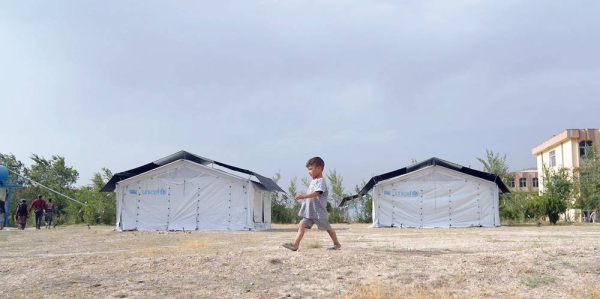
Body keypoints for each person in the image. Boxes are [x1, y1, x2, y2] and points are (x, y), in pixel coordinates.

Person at [282, 157, 341, 251]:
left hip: (318, 212)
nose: (309, 172)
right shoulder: (313, 181)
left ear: (319, 168)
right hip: (310, 212)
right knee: (302, 225)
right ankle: (295, 244)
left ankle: (337, 244)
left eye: (310, 169)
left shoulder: (321, 181)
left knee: (328, 228)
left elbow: (317, 193)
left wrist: (303, 196)